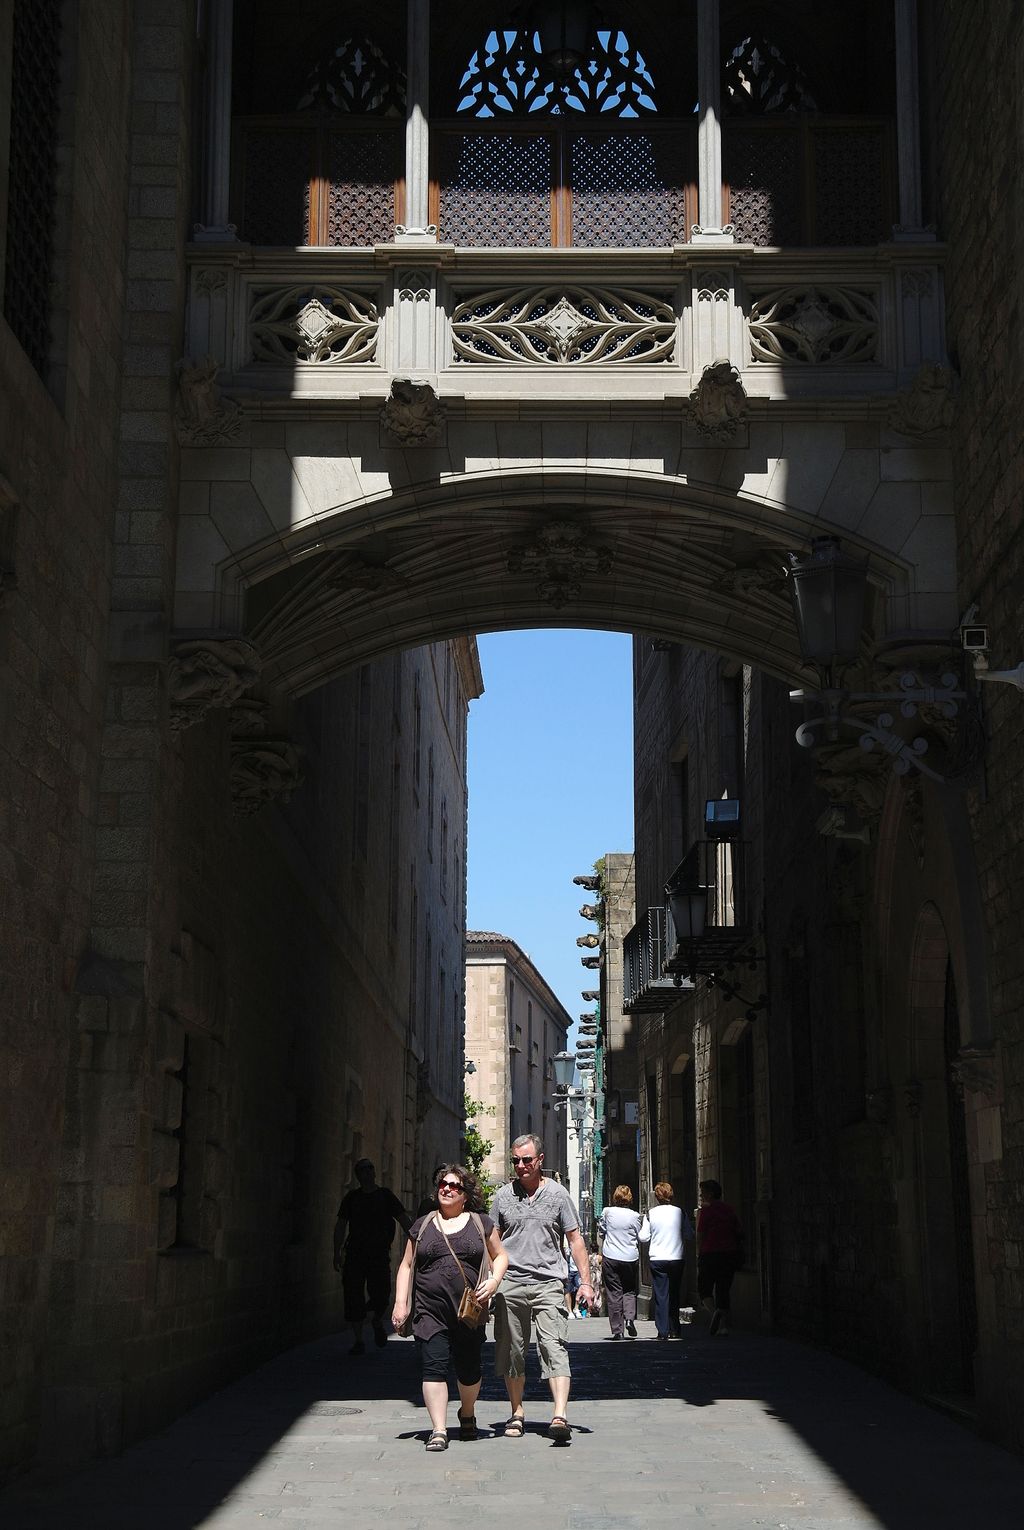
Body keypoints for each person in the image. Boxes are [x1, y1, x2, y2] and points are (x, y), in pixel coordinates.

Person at [392, 1163, 508, 1452]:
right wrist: (400, 1303)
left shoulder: (480, 1223)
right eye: (443, 1183)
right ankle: (439, 1429)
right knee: (433, 1367)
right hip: (430, 1310)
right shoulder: (423, 1225)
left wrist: (494, 1281)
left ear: (465, 1194)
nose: (447, 1189)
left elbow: (501, 1256)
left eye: (454, 1186)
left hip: (469, 1311)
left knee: (469, 1371)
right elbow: (406, 1265)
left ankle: (466, 1413)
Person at [491, 1133, 594, 1443]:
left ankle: (559, 1414)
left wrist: (586, 1283)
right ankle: (517, 1412)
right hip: (510, 1283)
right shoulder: (502, 1197)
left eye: (526, 1160)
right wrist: (488, 1281)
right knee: (512, 1351)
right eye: (516, 1161)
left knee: (554, 1347)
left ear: (540, 1161)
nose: (521, 1166)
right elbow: (491, 1242)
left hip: (549, 1283)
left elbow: (575, 1239)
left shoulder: (559, 1196)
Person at [333, 1158, 412, 1354]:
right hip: (355, 1254)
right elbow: (341, 1225)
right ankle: (359, 1340)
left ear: (374, 1173)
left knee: (382, 1294)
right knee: (353, 1296)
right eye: (362, 1170)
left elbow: (403, 1218)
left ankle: (376, 1319)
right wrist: (336, 1251)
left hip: (378, 1254)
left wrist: (417, 1240)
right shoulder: (351, 1198)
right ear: (357, 1175)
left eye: (369, 1169)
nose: (366, 1173)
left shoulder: (385, 1196)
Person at [641, 1181, 692, 1340]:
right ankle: (675, 1329)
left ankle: (662, 1331)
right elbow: (689, 1234)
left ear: (656, 1196)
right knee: (675, 1293)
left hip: (658, 1258)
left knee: (661, 1295)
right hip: (676, 1257)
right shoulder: (680, 1212)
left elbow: (643, 1237)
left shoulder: (651, 1213)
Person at [695, 1178, 743, 1336]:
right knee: (723, 1290)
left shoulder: (707, 1211)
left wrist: (699, 1252)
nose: (701, 1196)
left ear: (710, 1194)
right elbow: (738, 1230)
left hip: (709, 1253)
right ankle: (724, 1327)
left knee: (704, 1289)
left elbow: (700, 1234)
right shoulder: (729, 1210)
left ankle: (715, 1313)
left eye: (703, 1193)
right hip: (728, 1254)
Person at [598, 1186, 646, 1339]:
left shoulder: (607, 1212)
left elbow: (601, 1230)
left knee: (614, 1293)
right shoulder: (635, 1216)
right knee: (629, 1290)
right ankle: (630, 1319)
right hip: (630, 1257)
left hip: (611, 1256)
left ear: (615, 1197)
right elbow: (640, 1235)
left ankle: (618, 1330)